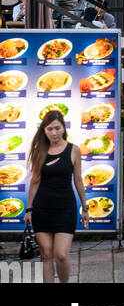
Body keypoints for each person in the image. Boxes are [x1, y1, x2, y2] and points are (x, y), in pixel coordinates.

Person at [26, 109, 89, 283]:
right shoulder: (40, 150)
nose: (53, 132)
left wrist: (85, 207)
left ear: (63, 128)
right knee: (46, 255)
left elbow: (78, 180)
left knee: (61, 254)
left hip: (65, 208)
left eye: (57, 128)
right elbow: (35, 181)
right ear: (44, 130)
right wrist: (29, 209)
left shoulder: (74, 150)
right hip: (42, 208)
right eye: (49, 129)